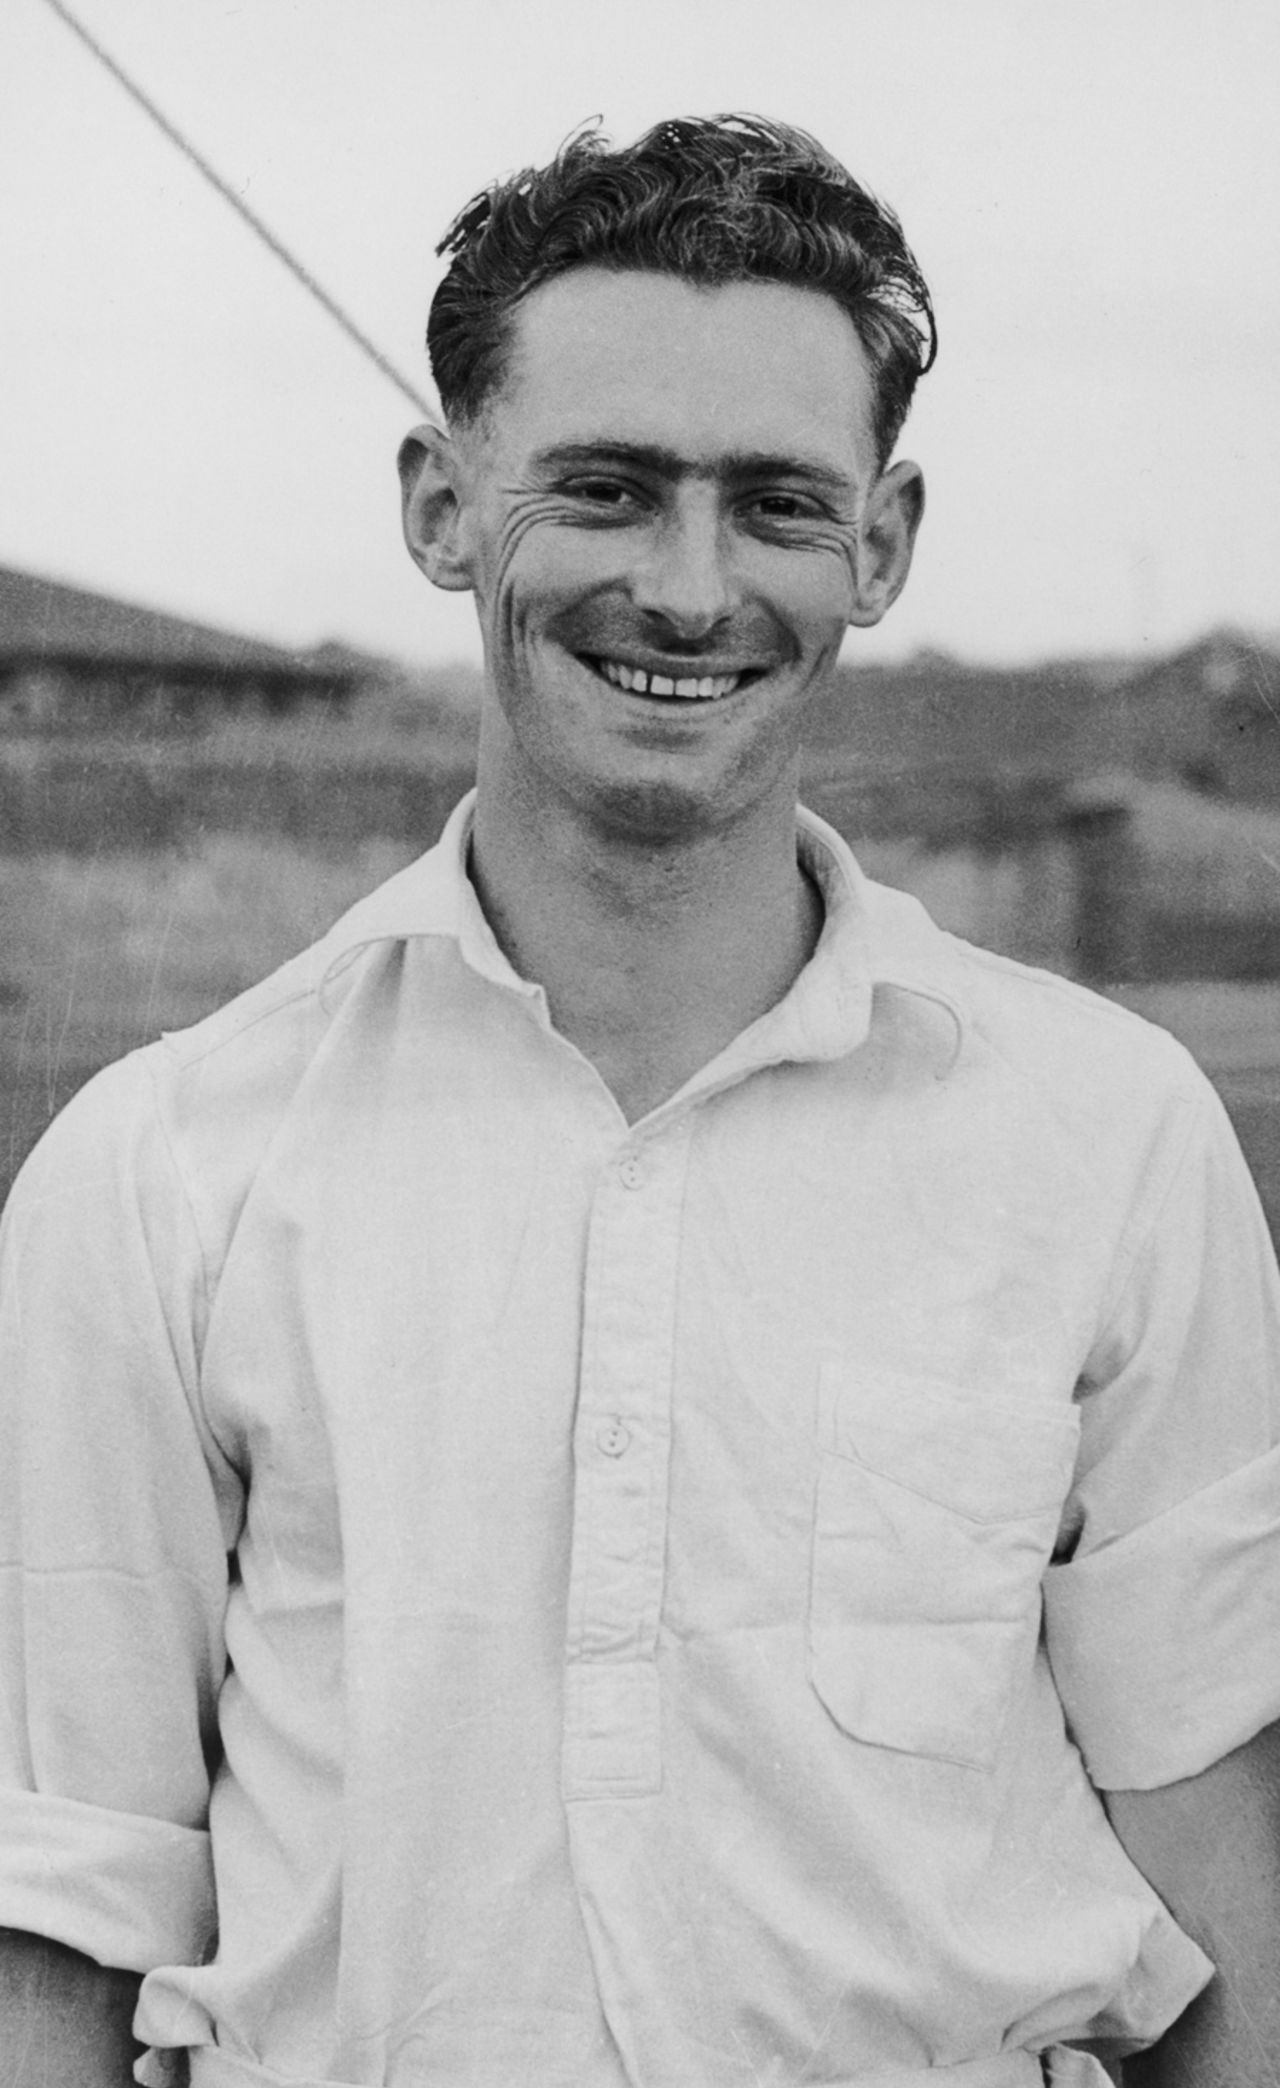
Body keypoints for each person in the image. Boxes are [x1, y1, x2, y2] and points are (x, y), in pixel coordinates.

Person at [1, 114, 1278, 2088]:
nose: (690, 589)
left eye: (776, 505)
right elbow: (69, 1907)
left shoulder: (1109, 1140)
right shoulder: (160, 1172)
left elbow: (1221, 1880)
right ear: (442, 505)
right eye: (604, 489)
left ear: (882, 544)